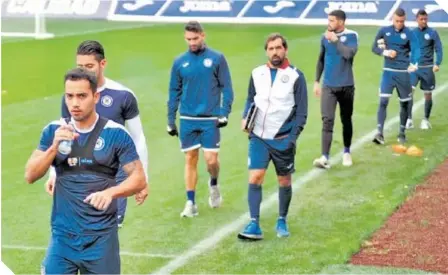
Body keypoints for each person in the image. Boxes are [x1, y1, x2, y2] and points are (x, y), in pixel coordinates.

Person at [25, 68, 147, 274]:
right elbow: (30, 175)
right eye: (69, 96)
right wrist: (54, 147)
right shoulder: (53, 131)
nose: (74, 103)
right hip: (63, 240)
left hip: (101, 242)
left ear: (95, 96)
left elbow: (139, 178)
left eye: (81, 96)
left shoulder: (115, 134)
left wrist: (111, 192)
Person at [45, 40, 149, 228]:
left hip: (114, 175)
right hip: (79, 173)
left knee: (106, 230)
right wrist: (53, 173)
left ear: (103, 64)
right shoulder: (71, 97)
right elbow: (63, 137)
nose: (84, 71)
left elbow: (138, 138)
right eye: (80, 66)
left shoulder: (123, 96)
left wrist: (143, 178)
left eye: (89, 66)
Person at [237, 33, 308, 240]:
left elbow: (302, 112)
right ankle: (254, 223)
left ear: (285, 49)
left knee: (284, 181)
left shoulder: (296, 76)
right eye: (271, 48)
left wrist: (292, 138)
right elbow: (251, 98)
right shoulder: (257, 73)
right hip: (258, 136)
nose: (275, 52)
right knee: (255, 177)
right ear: (266, 51)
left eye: (278, 48)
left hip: (282, 138)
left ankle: (282, 219)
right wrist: (245, 118)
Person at [167, 21, 234, 218]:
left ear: (203, 36)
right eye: (188, 39)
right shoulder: (179, 62)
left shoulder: (217, 58)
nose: (192, 42)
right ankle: (190, 202)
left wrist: (224, 112)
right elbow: (174, 91)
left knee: (211, 160)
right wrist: (170, 119)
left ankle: (213, 183)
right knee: (190, 159)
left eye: (195, 38)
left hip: (210, 118)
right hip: (187, 119)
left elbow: (227, 88)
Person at [312, 9, 358, 169]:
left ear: (341, 22)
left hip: (346, 86)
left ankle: (346, 151)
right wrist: (317, 81)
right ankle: (324, 157)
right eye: (328, 20)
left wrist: (336, 41)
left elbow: (348, 55)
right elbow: (320, 60)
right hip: (329, 86)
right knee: (327, 120)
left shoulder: (352, 36)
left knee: (346, 119)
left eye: (332, 20)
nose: (328, 23)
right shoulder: (325, 37)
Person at [371, 8, 420, 145]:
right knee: (383, 102)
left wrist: (414, 63)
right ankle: (379, 133)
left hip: (403, 73)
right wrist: (386, 52)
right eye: (397, 21)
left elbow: (416, 49)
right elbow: (374, 48)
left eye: (402, 21)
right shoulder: (384, 31)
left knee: (404, 103)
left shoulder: (409, 33)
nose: (399, 23)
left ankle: (402, 132)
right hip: (388, 72)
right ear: (392, 19)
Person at [406, 9, 443, 130]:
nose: (423, 21)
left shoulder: (432, 32)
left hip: (427, 69)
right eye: (421, 19)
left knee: (428, 95)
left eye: (425, 19)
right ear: (417, 19)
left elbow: (439, 49)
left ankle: (425, 120)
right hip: (415, 68)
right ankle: (409, 119)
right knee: (409, 93)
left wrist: (437, 63)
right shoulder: (412, 33)